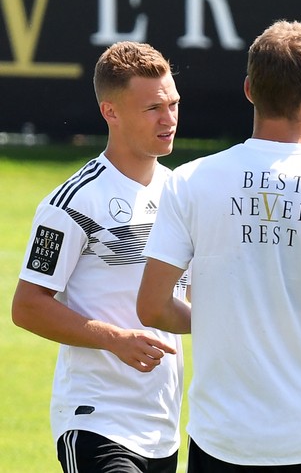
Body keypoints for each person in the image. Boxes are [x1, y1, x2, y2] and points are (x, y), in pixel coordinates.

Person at [136, 20, 301, 471]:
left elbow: (153, 307)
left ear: (248, 89)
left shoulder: (189, 182)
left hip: (221, 436)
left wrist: (225, 321)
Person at [11, 41, 185, 473]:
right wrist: (115, 339)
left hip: (164, 427)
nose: (169, 119)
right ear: (111, 112)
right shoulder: (72, 202)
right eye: (153, 109)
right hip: (95, 421)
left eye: (174, 104)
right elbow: (27, 305)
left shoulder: (183, 193)